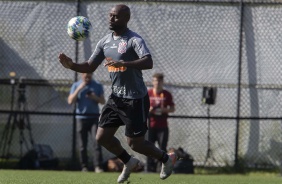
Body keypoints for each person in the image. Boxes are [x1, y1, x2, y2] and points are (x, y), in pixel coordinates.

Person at [59, 4, 176, 183]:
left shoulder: (134, 39)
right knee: (102, 137)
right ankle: (128, 162)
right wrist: (72, 65)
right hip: (116, 98)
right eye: (110, 15)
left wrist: (124, 64)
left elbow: (148, 61)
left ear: (125, 19)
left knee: (135, 143)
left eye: (116, 16)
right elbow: (90, 66)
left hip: (135, 99)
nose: (111, 18)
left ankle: (166, 159)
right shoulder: (105, 41)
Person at [68, 73, 105, 173]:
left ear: (92, 74)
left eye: (89, 75)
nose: (87, 77)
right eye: (85, 75)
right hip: (81, 118)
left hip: (94, 118)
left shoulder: (97, 85)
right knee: (82, 145)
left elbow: (102, 101)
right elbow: (70, 101)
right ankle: (84, 167)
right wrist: (79, 89)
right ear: (82, 74)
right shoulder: (76, 85)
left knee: (97, 142)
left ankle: (98, 166)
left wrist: (94, 97)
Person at [146, 73, 175, 172]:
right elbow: (142, 107)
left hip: (162, 125)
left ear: (162, 82)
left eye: (159, 81)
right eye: (155, 80)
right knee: (149, 147)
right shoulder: (148, 93)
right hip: (150, 125)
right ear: (152, 82)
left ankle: (160, 168)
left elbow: (172, 108)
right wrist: (149, 109)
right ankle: (149, 168)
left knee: (162, 148)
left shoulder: (166, 94)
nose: (157, 83)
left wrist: (163, 110)